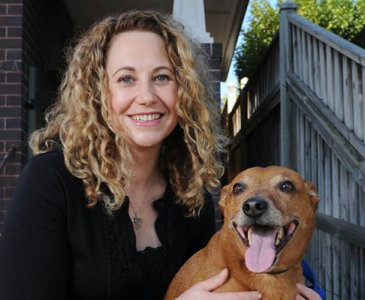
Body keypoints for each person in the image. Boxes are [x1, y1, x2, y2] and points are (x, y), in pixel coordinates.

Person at [0, 10, 321, 300]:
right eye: (126, 78)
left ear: (184, 91)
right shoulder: (50, 181)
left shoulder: (190, 199)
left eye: (162, 77)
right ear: (98, 94)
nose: (147, 96)